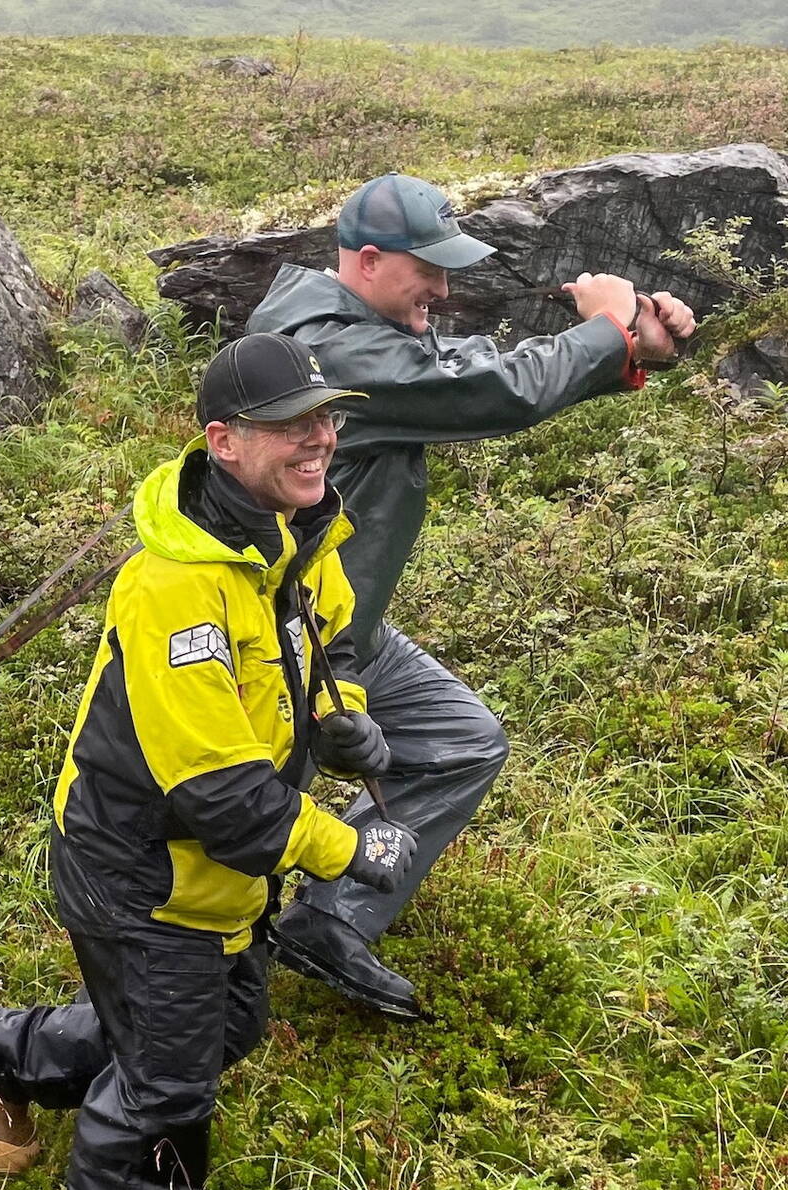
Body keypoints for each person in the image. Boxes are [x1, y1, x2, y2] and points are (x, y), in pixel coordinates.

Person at [0, 333, 417, 1190]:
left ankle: (4, 1050)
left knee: (226, 1026)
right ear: (224, 442)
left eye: (325, 417)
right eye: (291, 425)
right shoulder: (172, 588)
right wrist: (350, 849)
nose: (319, 439)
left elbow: (331, 644)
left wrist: (343, 715)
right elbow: (225, 797)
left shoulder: (296, 532)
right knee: (169, 1085)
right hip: (140, 870)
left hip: (218, 875)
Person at [245, 174, 698, 1017]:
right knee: (247, 818)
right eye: (431, 270)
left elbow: (460, 371)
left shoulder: (357, 330)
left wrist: (625, 348)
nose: (445, 290)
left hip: (348, 622)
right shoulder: (326, 352)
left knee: (462, 740)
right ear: (370, 260)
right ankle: (168, 995)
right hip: (278, 642)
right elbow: (486, 390)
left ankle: (329, 919)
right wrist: (606, 328)